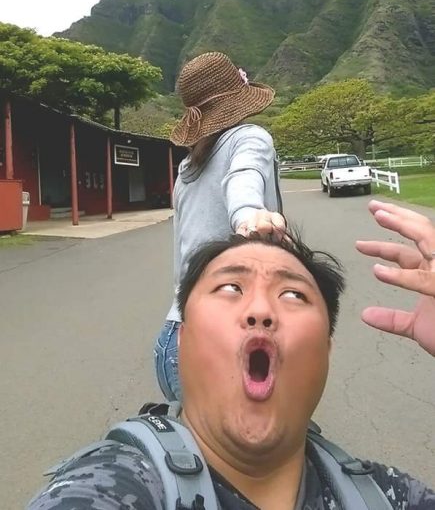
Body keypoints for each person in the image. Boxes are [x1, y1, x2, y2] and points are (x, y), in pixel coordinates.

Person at [28, 200, 435, 509]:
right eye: (230, 289)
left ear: (326, 350)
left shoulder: (388, 496)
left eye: (293, 294)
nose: (260, 311)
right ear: (181, 339)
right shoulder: (114, 484)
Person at [154, 51, 286, 402]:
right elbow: (244, 177)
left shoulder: (187, 170)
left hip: (174, 337)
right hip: (222, 341)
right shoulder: (250, 138)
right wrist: (248, 214)